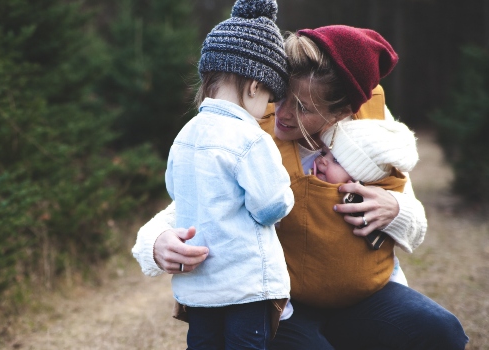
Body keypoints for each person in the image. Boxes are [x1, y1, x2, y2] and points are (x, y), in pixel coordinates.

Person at [132, 24, 469, 349]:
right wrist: (155, 243)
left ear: (343, 112)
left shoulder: (372, 137)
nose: (283, 113)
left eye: (304, 107)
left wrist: (396, 210)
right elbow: (191, 201)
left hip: (365, 297)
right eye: (282, 96)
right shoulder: (250, 131)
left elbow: (417, 225)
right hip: (284, 304)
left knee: (442, 332)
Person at [164, 0, 294, 348]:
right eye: (268, 97)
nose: (267, 108)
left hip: (199, 289)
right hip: (245, 286)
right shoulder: (250, 137)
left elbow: (174, 190)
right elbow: (270, 206)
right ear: (254, 86)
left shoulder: (185, 135)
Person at [285, 118, 418, 309]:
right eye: (324, 153)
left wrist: (398, 210)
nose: (321, 160)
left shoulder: (373, 196)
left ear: (359, 179)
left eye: (336, 160)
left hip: (373, 289)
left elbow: (415, 227)